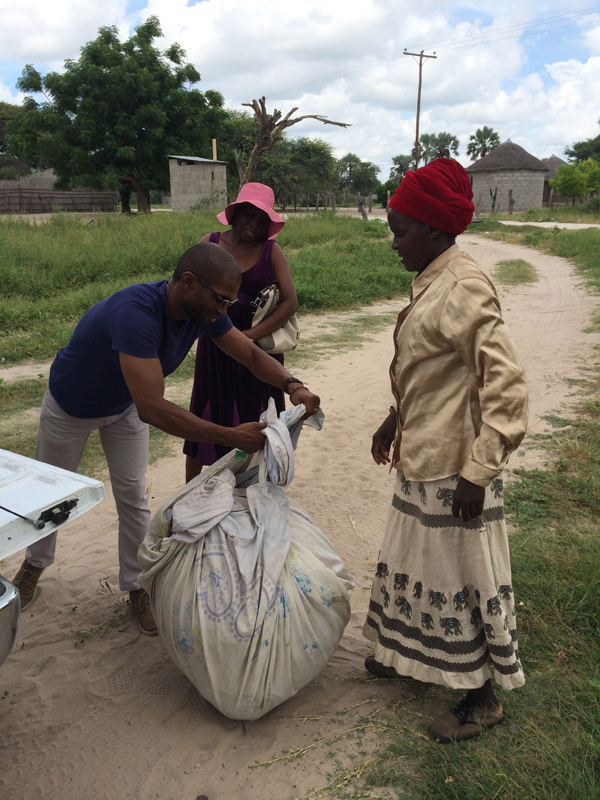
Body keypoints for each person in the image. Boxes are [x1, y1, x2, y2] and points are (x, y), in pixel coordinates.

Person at [12, 242, 319, 635]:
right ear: (189, 282)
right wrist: (230, 436)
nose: (225, 312)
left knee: (133, 497)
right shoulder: (135, 313)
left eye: (229, 302)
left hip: (123, 406)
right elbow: (153, 408)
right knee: (49, 497)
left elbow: (250, 355)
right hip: (72, 406)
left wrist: (293, 385)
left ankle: (137, 586)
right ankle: (35, 564)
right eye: (221, 300)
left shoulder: (202, 311)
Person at [363, 158, 528, 744]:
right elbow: (430, 368)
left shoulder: (462, 285)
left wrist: (479, 472)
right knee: (412, 557)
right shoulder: (434, 275)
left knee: (461, 576)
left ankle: (481, 701)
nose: (394, 242)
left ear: (435, 230)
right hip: (424, 449)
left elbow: (505, 385)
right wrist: (393, 418)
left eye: (401, 231)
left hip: (457, 464)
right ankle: (401, 651)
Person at [183, 182, 298, 483]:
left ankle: (255, 482)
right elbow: (188, 288)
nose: (254, 224)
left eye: (262, 220)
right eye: (249, 215)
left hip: (258, 348)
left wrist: (250, 335)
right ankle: (192, 487)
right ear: (235, 214)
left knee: (256, 414)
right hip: (215, 345)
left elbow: (290, 301)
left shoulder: (271, 252)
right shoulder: (209, 243)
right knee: (206, 410)